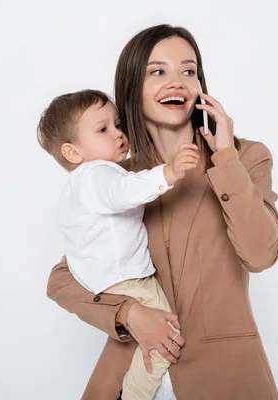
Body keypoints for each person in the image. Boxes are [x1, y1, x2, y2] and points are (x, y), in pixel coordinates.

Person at [47, 24, 278, 400]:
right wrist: (128, 314)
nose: (176, 82)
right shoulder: (118, 182)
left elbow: (261, 254)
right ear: (131, 89)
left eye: (188, 71)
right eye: (157, 71)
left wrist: (224, 157)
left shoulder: (244, 158)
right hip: (135, 370)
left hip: (224, 373)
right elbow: (62, 279)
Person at [37, 89, 199, 399]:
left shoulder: (75, 188)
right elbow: (125, 191)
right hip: (129, 281)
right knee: (167, 339)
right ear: (72, 153)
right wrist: (170, 172)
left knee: (148, 341)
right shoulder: (99, 175)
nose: (117, 133)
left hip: (103, 284)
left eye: (117, 124)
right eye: (102, 129)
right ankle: (135, 395)